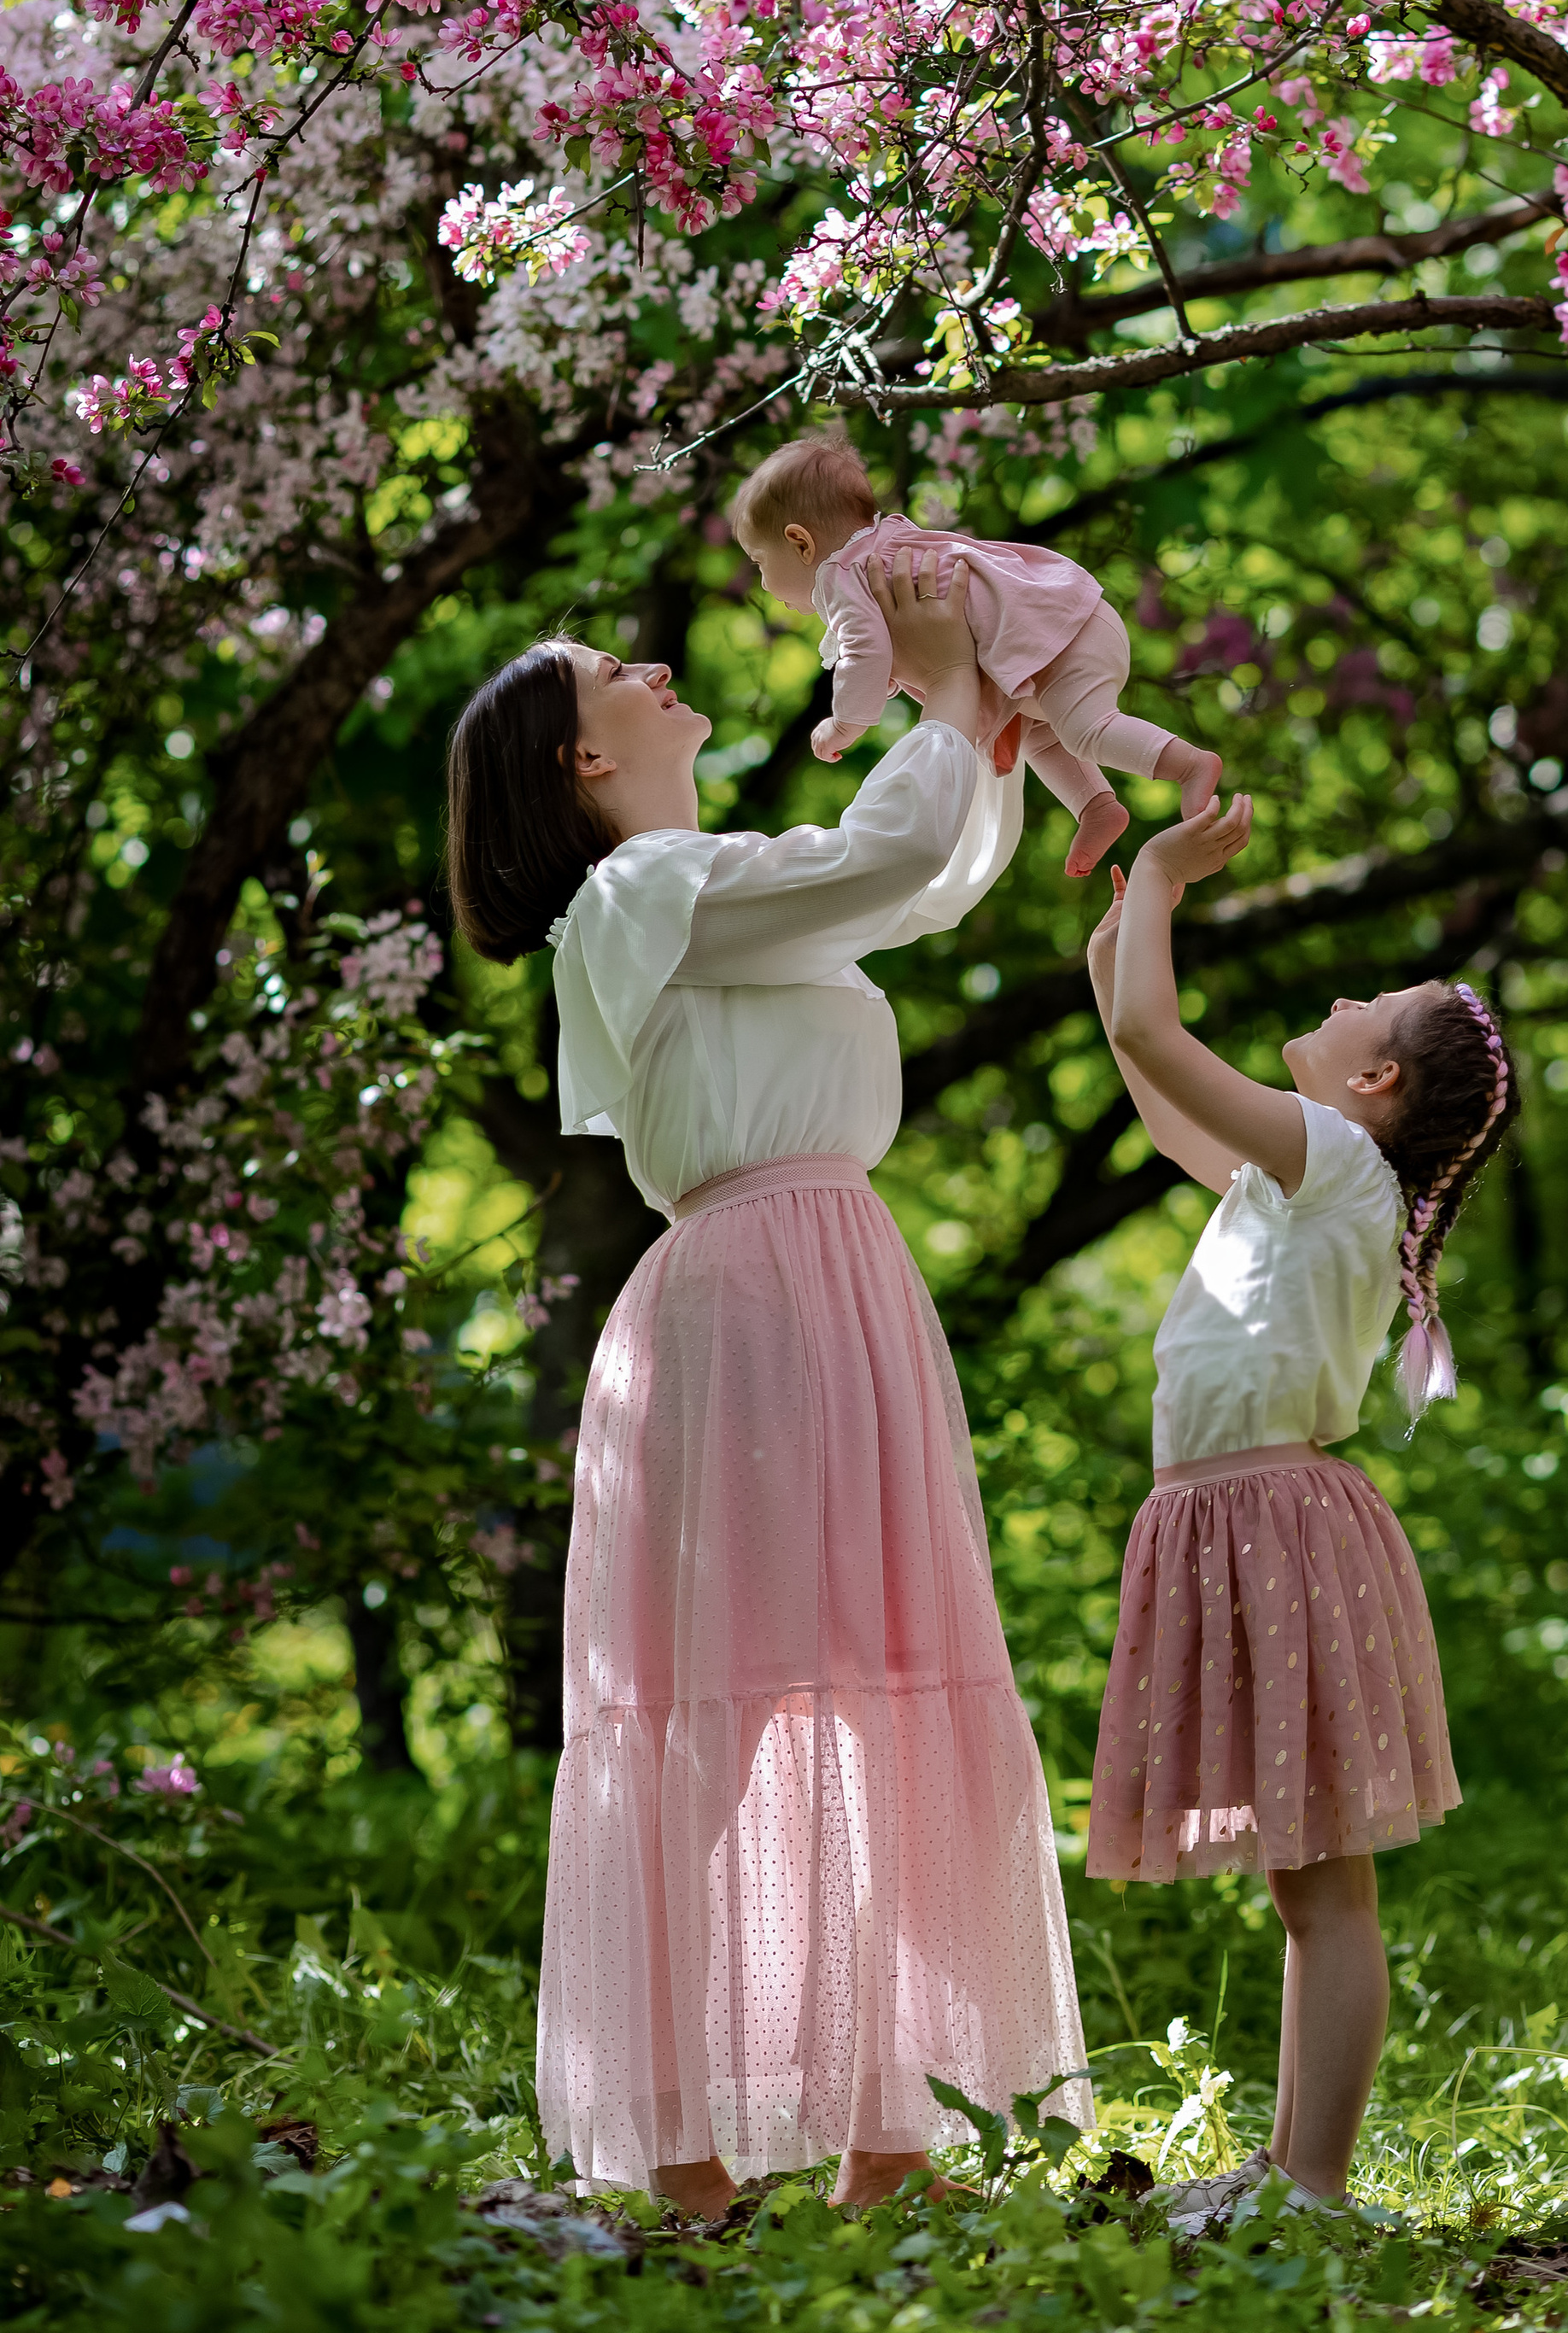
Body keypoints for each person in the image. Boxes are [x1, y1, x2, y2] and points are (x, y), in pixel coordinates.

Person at [443, 548, 1090, 2210]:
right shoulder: (632, 897)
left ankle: (890, 2128)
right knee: (739, 1711)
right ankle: (689, 2154)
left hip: (829, 1277)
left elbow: (910, 883)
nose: (654, 674)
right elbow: (874, 864)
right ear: (582, 759)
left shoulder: (698, 881)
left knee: (868, 1678)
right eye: (615, 677)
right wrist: (942, 692)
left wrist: (975, 726)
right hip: (750, 1295)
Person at [1079, 797, 1518, 2226]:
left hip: (1271, 1525)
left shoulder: (1332, 1165)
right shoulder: (1298, 1179)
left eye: (1360, 1003)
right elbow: (1147, 1074)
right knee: (1300, 1884)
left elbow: (1157, 1041)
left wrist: (1157, 878)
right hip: (1242, 1522)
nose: (1334, 998)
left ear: (1377, 1077)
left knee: (1325, 1891)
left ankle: (1313, 2187)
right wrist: (1121, 908)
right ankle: (1288, 2173)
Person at [729, 427, 1221, 879]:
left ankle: (1188, 765)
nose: (763, 582)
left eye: (759, 561)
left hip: (1060, 636)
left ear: (800, 542)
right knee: (1042, 736)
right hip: (1059, 630)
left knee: (1086, 729)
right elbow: (893, 644)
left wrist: (845, 722)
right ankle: (1096, 806)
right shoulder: (888, 544)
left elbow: (864, 650)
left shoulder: (842, 575)